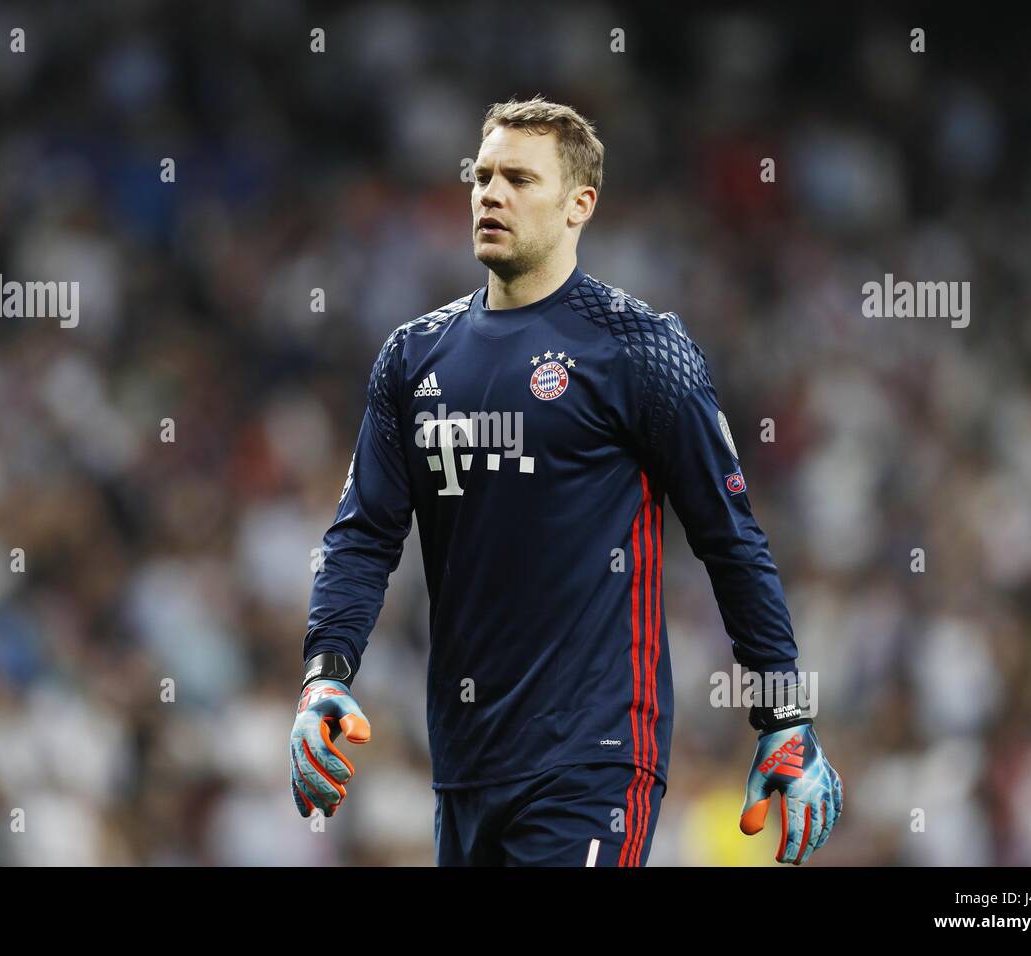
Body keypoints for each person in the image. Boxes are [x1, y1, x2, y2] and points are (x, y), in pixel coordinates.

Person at [290, 95, 843, 866]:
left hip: (597, 752)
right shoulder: (413, 360)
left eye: (519, 178)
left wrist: (784, 715)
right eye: (482, 176)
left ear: (580, 203)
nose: (490, 193)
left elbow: (731, 539)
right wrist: (326, 675)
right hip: (465, 764)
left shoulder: (642, 351)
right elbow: (362, 536)